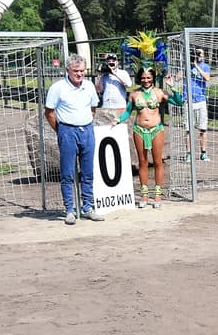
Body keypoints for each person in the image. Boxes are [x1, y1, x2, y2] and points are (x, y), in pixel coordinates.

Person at [45, 54, 105, 224]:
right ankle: (69, 209)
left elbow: (93, 108)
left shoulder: (89, 86)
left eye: (82, 71)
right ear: (67, 71)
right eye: (76, 71)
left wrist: (85, 123)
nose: (79, 74)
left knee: (88, 172)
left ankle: (88, 207)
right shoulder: (58, 88)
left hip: (87, 130)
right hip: (67, 131)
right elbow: (49, 113)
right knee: (67, 173)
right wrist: (61, 130)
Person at [118, 67, 182, 208]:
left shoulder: (159, 92)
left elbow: (179, 102)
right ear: (139, 78)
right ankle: (144, 195)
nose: (146, 80)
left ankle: (158, 194)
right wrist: (117, 120)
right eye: (143, 78)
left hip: (156, 129)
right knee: (142, 161)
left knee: (158, 161)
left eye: (148, 78)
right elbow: (128, 111)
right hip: (139, 130)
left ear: (153, 78)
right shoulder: (134, 94)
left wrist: (173, 87)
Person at [94, 53, 132, 126]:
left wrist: (115, 74)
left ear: (117, 62)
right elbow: (99, 90)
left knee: (120, 131)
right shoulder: (105, 75)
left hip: (119, 107)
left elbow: (129, 85)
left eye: (113, 61)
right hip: (106, 107)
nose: (111, 63)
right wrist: (99, 75)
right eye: (109, 61)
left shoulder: (123, 73)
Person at [189, 48, 212, 161]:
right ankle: (189, 154)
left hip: (201, 100)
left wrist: (196, 66)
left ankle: (203, 153)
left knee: (203, 129)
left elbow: (207, 78)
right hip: (189, 101)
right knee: (188, 129)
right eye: (197, 54)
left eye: (200, 54)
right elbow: (178, 77)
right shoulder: (188, 66)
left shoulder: (205, 66)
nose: (199, 56)